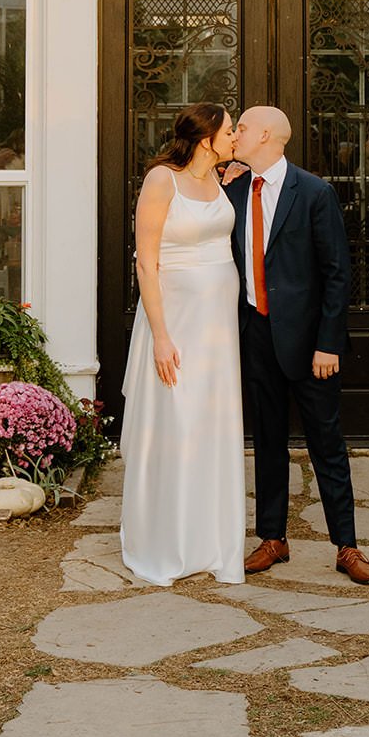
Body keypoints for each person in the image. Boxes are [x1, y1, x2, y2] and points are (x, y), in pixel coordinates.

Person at [224, 105, 369, 586]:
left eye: (243, 128)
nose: (236, 135)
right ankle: (272, 538)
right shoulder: (229, 190)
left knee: (326, 445)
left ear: (267, 134)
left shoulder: (314, 192)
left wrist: (328, 343)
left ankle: (347, 546)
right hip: (254, 337)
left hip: (311, 347)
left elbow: (338, 274)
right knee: (267, 442)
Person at [119, 102, 245, 586]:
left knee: (212, 425)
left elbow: (260, 162)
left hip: (218, 330)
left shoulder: (222, 177)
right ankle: (166, 538)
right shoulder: (160, 181)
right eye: (229, 131)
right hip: (176, 323)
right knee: (177, 422)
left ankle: (210, 541)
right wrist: (162, 337)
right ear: (206, 136)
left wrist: (234, 164)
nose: (235, 137)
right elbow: (146, 263)